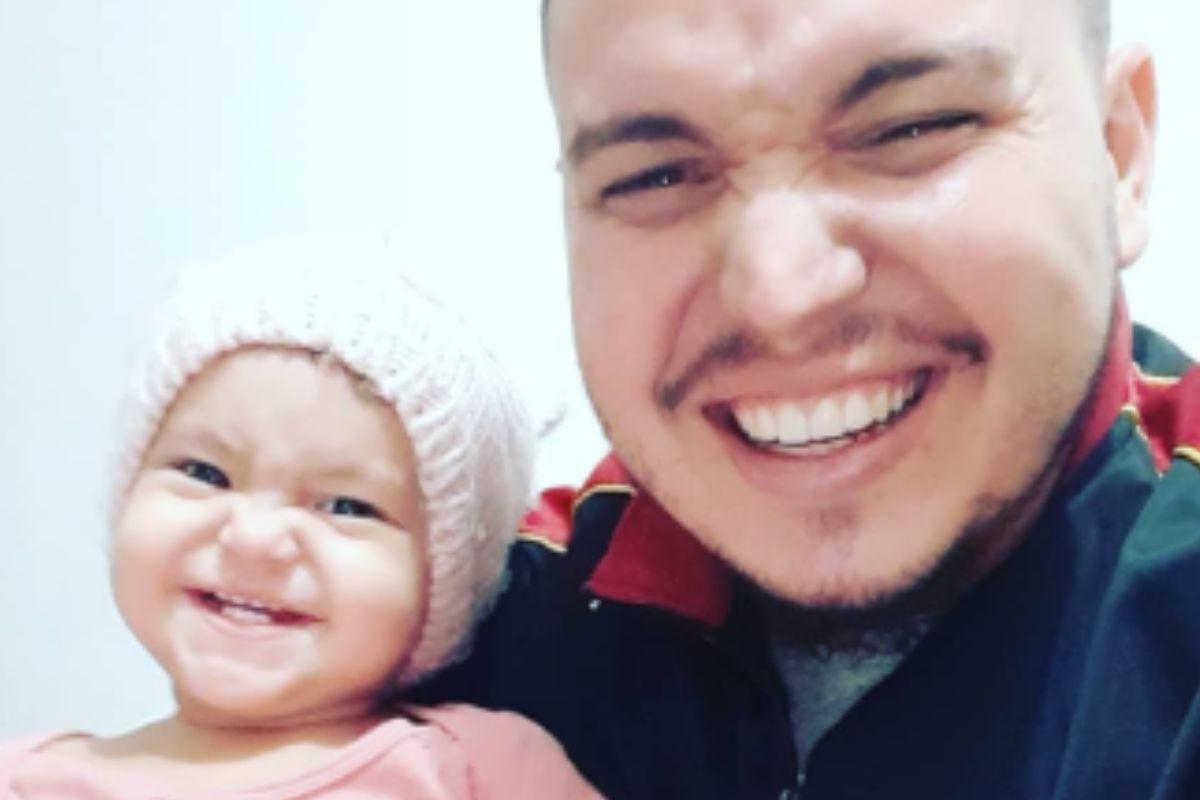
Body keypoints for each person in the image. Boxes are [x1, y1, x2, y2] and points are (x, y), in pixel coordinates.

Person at [416, 0, 1200, 797]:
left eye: (912, 128)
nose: (780, 295)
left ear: (1118, 153)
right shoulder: (455, 627)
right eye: (654, 176)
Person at [0, 238, 602, 799]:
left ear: (442, 584)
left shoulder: (478, 769)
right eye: (204, 473)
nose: (253, 537)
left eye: (347, 507)